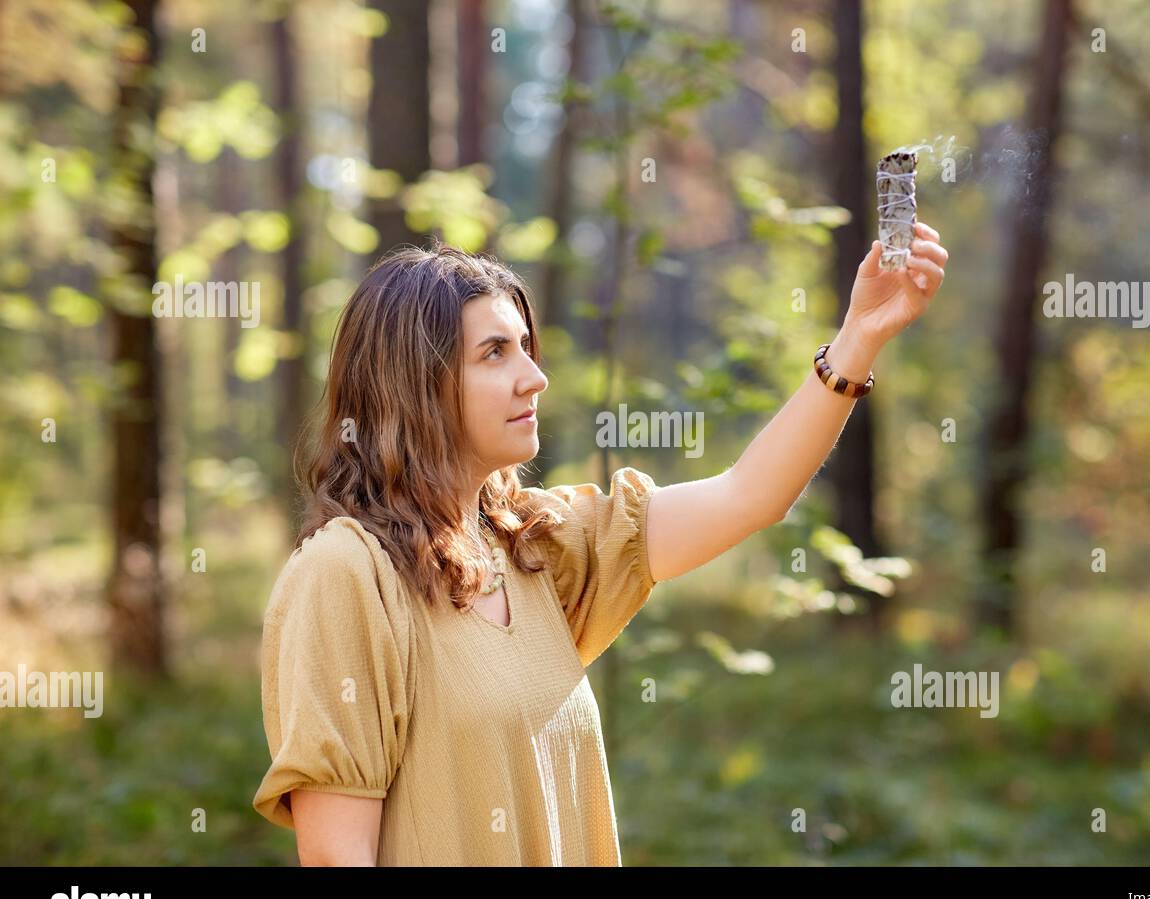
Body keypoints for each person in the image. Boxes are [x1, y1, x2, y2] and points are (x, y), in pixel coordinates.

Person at [252, 227, 948, 865]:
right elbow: (338, 859)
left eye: (526, 346)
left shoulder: (533, 548)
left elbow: (749, 495)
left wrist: (859, 337)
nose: (534, 376)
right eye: (494, 352)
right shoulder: (346, 574)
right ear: (412, 385)